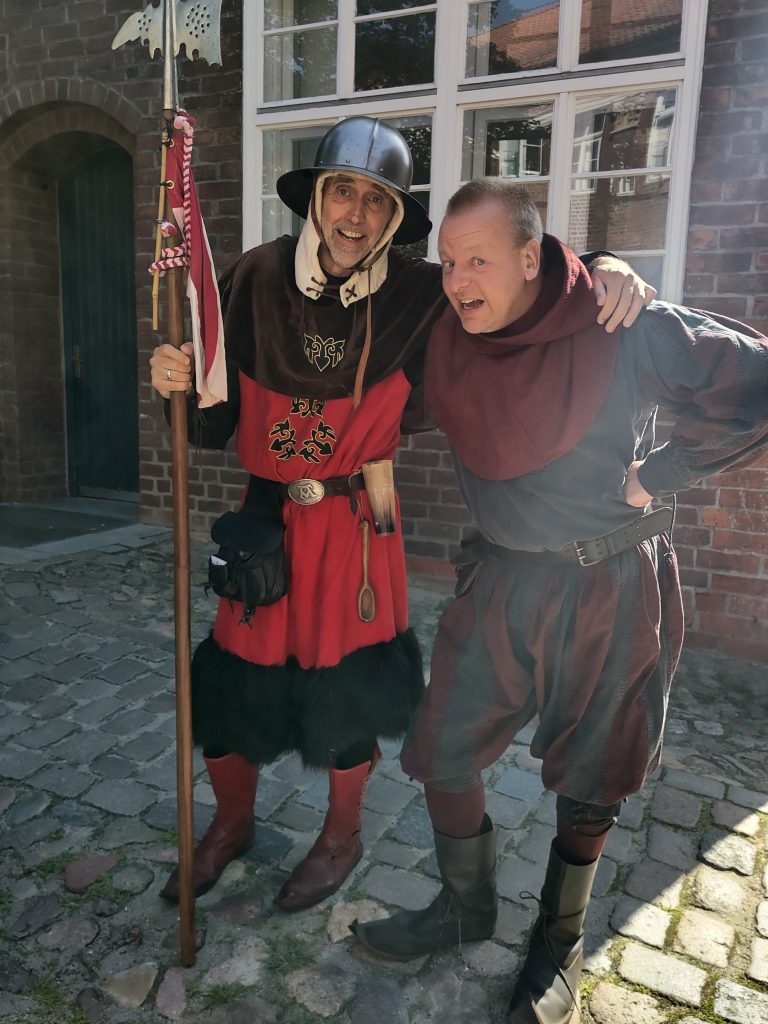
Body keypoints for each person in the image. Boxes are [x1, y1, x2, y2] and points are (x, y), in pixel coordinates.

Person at [149, 119, 653, 913]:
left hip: (356, 527)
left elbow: (517, 285)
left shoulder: (423, 294)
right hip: (264, 520)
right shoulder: (251, 278)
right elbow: (210, 423)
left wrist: (605, 266)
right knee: (234, 684)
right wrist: (176, 380)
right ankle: (230, 824)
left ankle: (341, 836)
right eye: (342, 191)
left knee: (347, 691)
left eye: (377, 201)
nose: (356, 215)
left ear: (394, 218)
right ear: (316, 196)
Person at [351, 178, 768, 1023]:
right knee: (442, 747)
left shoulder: (620, 322)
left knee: (593, 774)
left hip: (609, 585)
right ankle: (465, 908)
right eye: (447, 262)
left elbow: (754, 382)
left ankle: (558, 940)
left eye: (478, 260)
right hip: (499, 578)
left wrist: (664, 473)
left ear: (531, 258)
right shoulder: (445, 339)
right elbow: (351, 379)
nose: (457, 280)